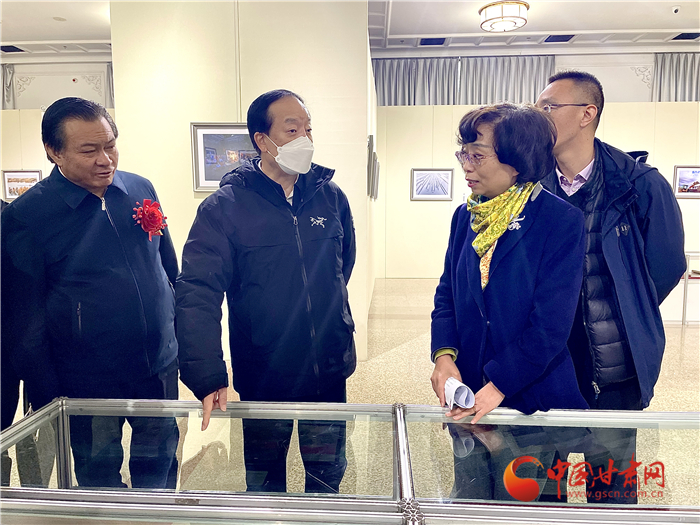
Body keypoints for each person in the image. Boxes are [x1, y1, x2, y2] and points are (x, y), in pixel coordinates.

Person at [176, 89, 356, 494]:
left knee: (327, 473)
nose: (304, 139)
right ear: (262, 140)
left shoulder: (330, 197)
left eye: (308, 129)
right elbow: (198, 292)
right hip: (265, 368)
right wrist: (206, 371)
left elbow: (342, 266)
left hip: (328, 366)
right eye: (292, 130)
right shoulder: (225, 207)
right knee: (264, 479)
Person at [1, 97, 179, 489]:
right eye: (89, 151)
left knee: (161, 466)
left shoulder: (138, 188)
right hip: (87, 379)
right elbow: (25, 319)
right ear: (54, 151)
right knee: (99, 477)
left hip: (157, 366)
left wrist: (177, 335)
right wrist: (50, 396)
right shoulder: (27, 216)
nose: (105, 160)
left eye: (110, 145)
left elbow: (168, 269)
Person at [535, 71, 685, 503]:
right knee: (544, 489)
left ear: (587, 114)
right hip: (547, 366)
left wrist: (624, 311)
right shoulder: (531, 185)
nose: (539, 116)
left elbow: (666, 266)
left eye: (549, 107)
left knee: (611, 493)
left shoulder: (639, 185)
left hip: (615, 368)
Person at [430, 103, 589, 501]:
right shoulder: (466, 216)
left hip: (528, 397)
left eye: (477, 155)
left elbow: (550, 326)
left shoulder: (559, 221)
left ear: (518, 162)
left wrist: (498, 385)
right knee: (469, 498)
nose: (466, 165)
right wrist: (444, 357)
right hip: (468, 393)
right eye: (463, 153)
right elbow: (448, 292)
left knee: (523, 503)